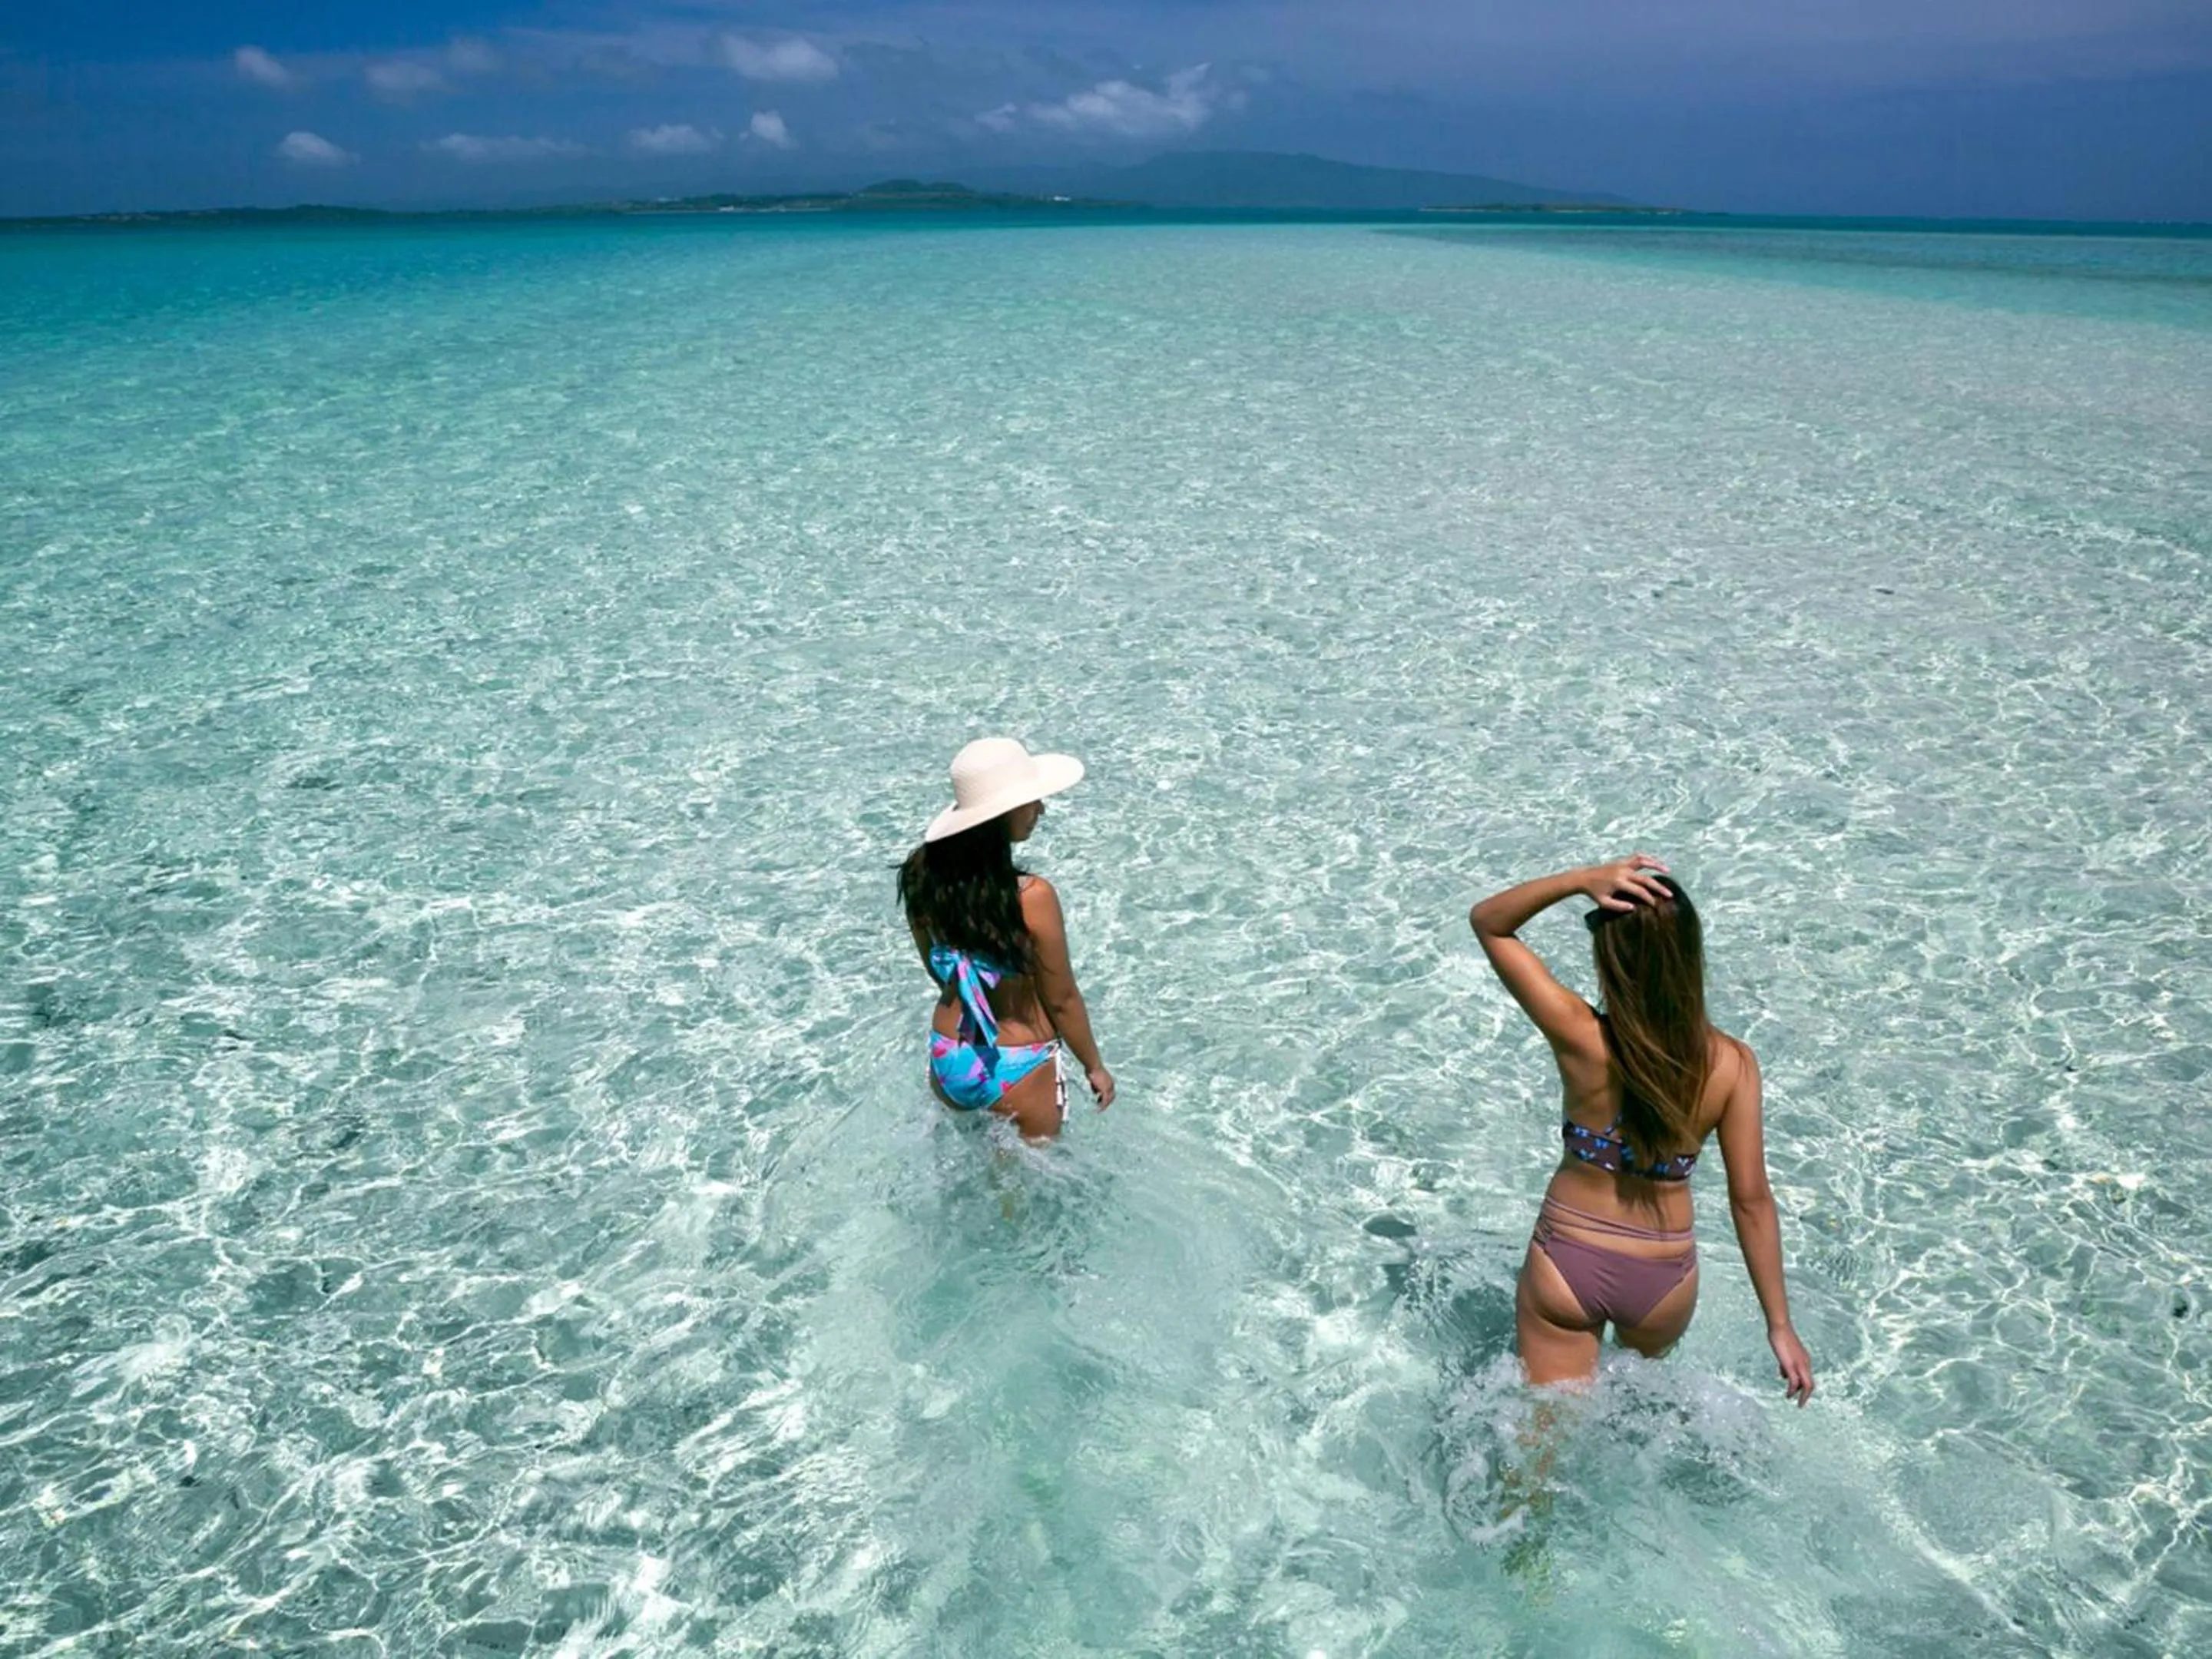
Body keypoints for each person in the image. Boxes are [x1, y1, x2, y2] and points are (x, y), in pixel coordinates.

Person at [1469, 855, 1814, 1404]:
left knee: (1539, 1443)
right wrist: (1780, 1326)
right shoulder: (1734, 1066)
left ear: (1611, 959)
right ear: (1690, 956)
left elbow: (1489, 921)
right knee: (1630, 1417)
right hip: (1662, 1283)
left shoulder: (1581, 1037)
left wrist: (1579, 881)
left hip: (1569, 1259)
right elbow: (1751, 1201)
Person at [899, 737, 1114, 1139]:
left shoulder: (919, 875)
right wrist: (1094, 1066)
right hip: (1020, 1062)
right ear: (1002, 813)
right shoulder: (1032, 897)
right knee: (1020, 1197)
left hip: (949, 1053)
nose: (1041, 809)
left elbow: (935, 964)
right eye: (1031, 800)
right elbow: (1062, 999)